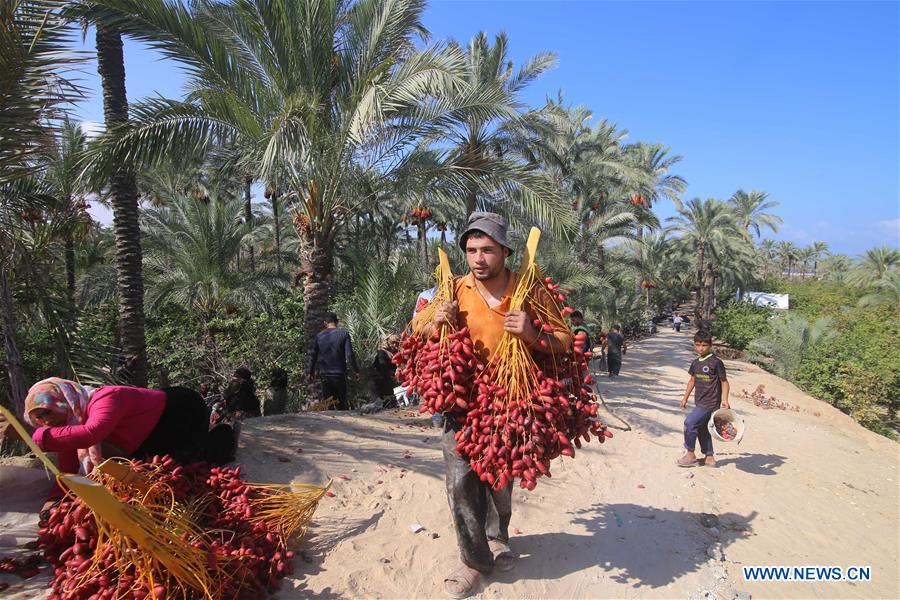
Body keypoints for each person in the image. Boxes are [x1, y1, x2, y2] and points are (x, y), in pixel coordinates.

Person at [414, 212, 573, 598]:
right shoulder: (451, 289)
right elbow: (416, 328)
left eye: (487, 250)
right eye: (471, 250)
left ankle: (497, 535)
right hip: (463, 400)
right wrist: (436, 319)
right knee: (461, 481)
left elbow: (566, 340)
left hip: (512, 396)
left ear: (505, 251)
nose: (478, 258)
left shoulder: (529, 290)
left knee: (500, 479)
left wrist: (534, 334)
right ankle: (474, 561)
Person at [0, 378, 233, 499]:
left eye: (48, 412)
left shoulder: (108, 397)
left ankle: (224, 431)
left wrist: (30, 434)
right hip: (146, 433)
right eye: (39, 418)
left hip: (179, 412)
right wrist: (58, 499)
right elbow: (68, 469)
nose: (46, 422)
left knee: (192, 464)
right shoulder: (70, 423)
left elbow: (93, 432)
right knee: (152, 467)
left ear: (63, 399)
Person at [678, 330, 730, 467]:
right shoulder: (695, 363)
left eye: (704, 345)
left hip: (711, 402)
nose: (700, 348)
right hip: (699, 401)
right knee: (701, 428)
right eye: (697, 345)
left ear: (710, 345)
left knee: (689, 423)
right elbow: (692, 381)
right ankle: (709, 457)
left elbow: (724, 382)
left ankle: (690, 455)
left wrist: (725, 400)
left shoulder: (716, 362)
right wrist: (685, 398)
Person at [307, 312, 360, 411]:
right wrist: (356, 370)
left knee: (328, 404)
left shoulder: (319, 336)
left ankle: (330, 424)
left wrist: (310, 372)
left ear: (325, 323)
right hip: (340, 375)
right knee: (342, 404)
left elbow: (313, 355)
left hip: (325, 375)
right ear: (337, 322)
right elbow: (349, 355)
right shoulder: (344, 334)